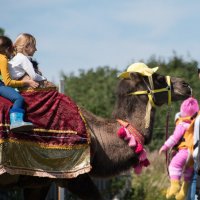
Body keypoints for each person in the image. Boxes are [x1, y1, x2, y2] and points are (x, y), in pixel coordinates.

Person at [159, 97, 199, 200]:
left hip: (184, 151)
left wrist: (165, 146)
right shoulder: (196, 122)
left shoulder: (182, 124)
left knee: (174, 165)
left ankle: (175, 186)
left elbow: (175, 138)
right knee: (188, 174)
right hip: (194, 153)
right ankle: (183, 192)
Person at [0, 36, 39, 132]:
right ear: (8, 49)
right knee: (18, 98)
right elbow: (8, 82)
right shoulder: (3, 58)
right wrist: (26, 82)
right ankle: (16, 122)